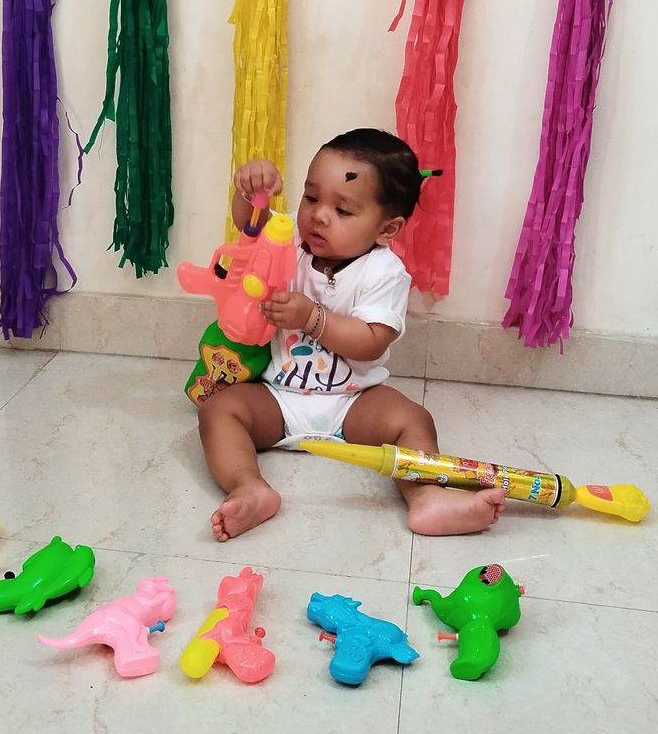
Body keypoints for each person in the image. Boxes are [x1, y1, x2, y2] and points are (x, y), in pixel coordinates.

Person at [198, 129, 505, 541]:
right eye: (311, 198)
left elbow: (371, 340)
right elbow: (249, 225)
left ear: (387, 229)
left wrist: (312, 318)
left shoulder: (384, 272)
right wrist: (249, 190)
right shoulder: (290, 237)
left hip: (355, 401)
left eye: (342, 210)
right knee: (219, 409)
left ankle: (426, 497)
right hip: (280, 395)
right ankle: (249, 488)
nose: (319, 216)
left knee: (414, 419)